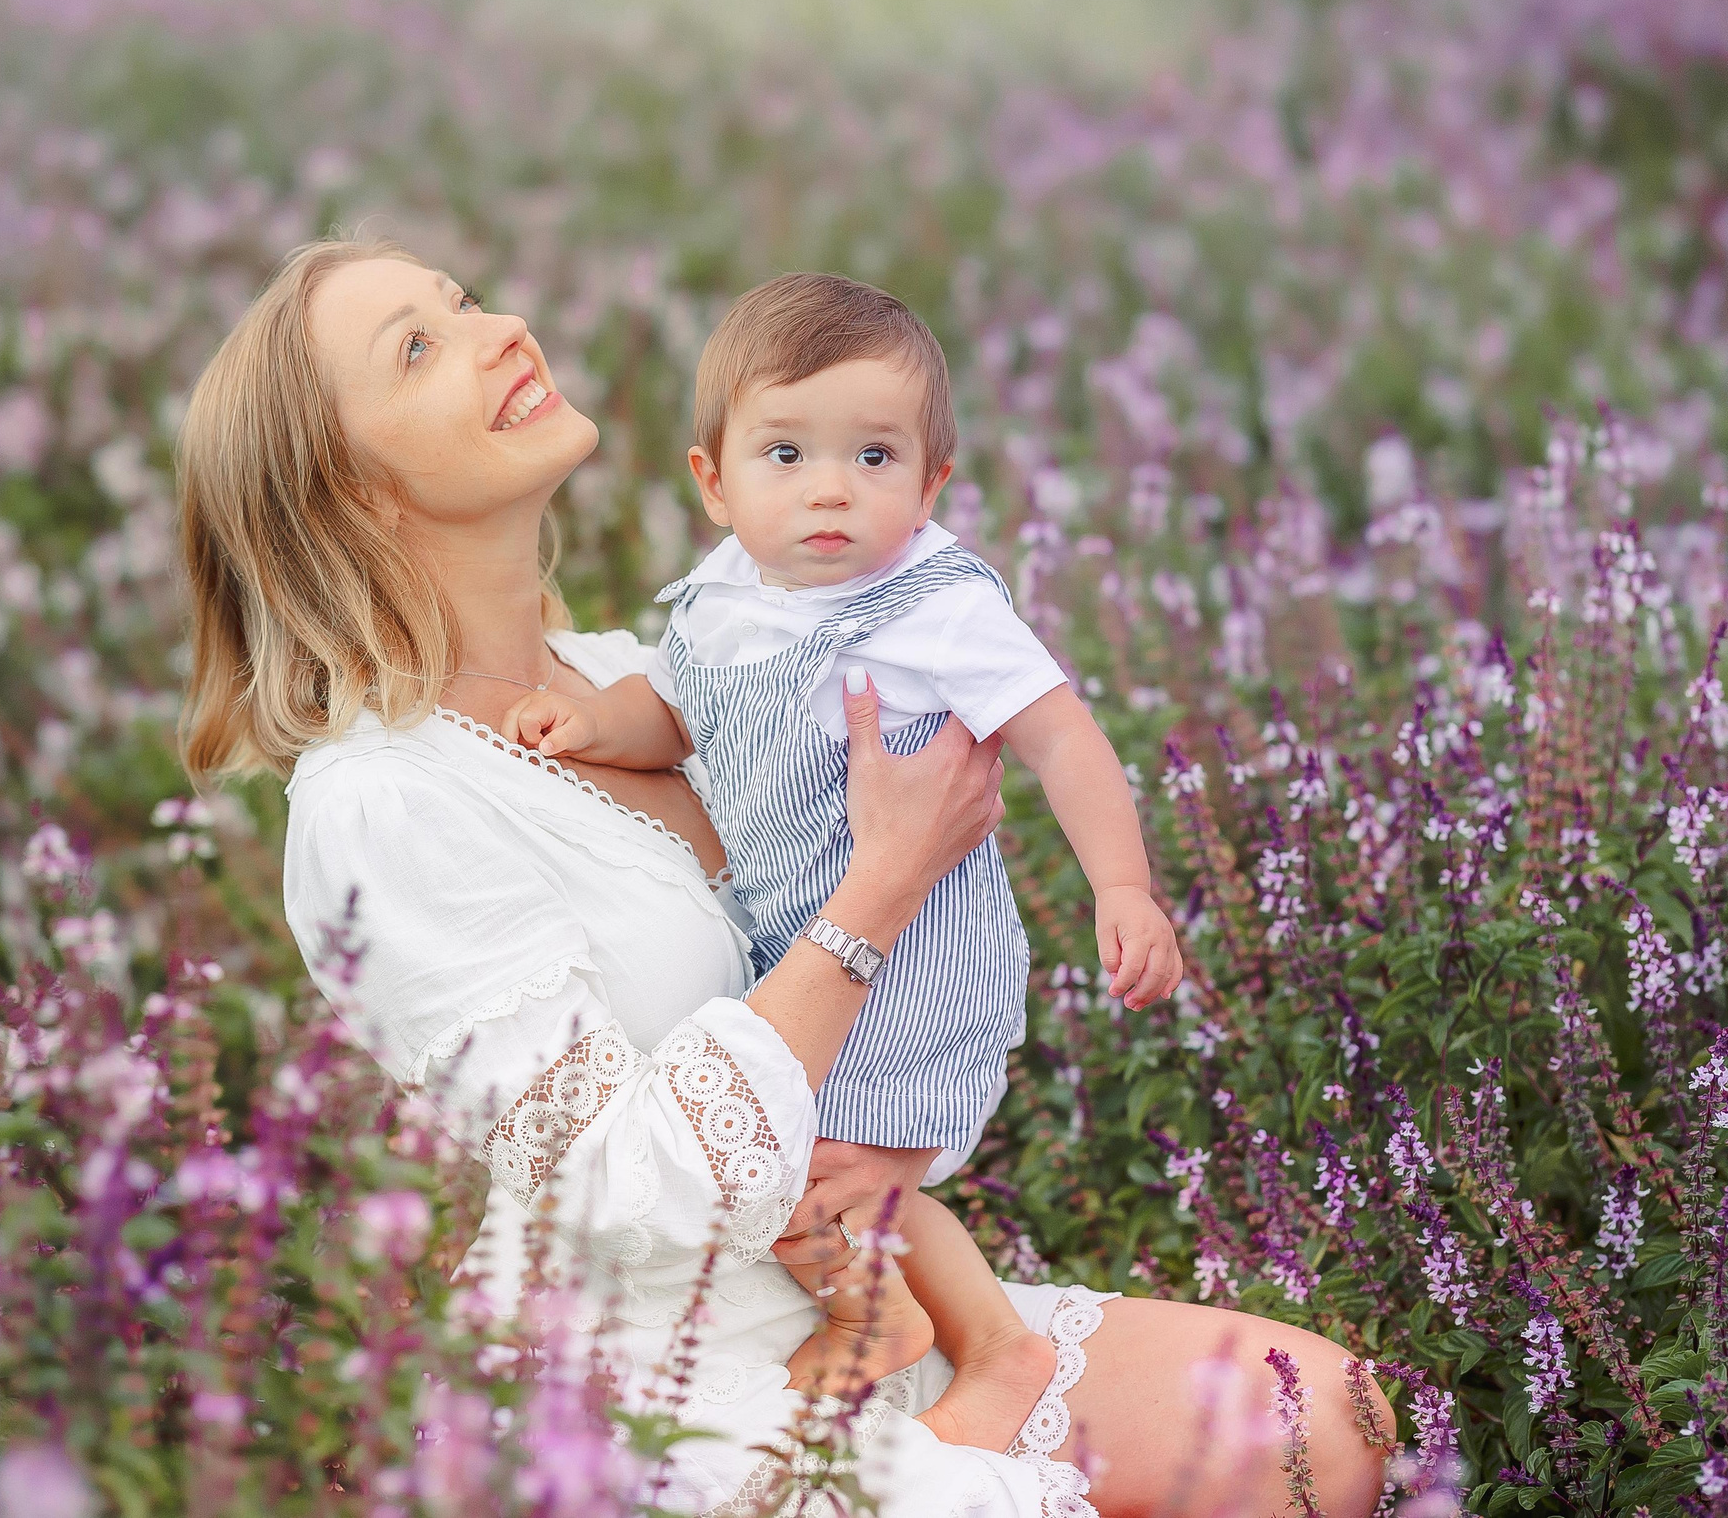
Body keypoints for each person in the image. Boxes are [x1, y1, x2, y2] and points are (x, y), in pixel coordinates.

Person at [174, 236, 1393, 1517]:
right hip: (656, 1385)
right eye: (418, 349)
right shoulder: (383, 801)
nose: (503, 328)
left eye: (462, 301)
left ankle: (974, 1355)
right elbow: (616, 1187)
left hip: (869, 1291)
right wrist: (885, 881)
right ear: (352, 492)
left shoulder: (634, 665)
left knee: (1336, 1424)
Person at [489, 271, 1183, 1451]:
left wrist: (1125, 886)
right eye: (785, 455)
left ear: (931, 483)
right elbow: (681, 709)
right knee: (796, 1155)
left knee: (842, 1167)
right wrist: (600, 726)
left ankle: (906, 1326)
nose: (829, 490)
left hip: (913, 958)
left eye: (873, 457)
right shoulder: (723, 600)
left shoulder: (933, 606)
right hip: (797, 936)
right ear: (712, 483)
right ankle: (919, 1319)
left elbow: (1060, 735)